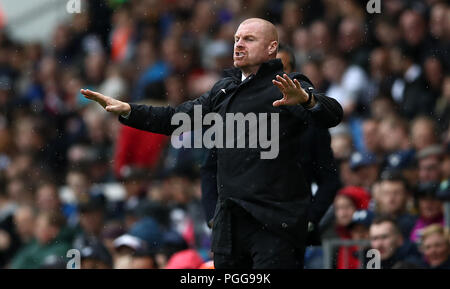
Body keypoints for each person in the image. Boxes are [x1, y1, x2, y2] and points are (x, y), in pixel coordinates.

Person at [81, 18, 343, 269]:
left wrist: (307, 101)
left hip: (275, 226)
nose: (238, 44)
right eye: (236, 39)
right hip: (230, 226)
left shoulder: (286, 86)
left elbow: (332, 114)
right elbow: (176, 118)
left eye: (249, 39)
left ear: (271, 47)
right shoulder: (224, 90)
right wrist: (129, 110)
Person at [200, 44, 341, 247]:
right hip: (238, 227)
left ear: (293, 72)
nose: (276, 76)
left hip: (289, 228)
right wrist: (214, 218)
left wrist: (308, 220)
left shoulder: (312, 123)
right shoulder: (236, 116)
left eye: (282, 68)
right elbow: (210, 168)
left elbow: (329, 179)